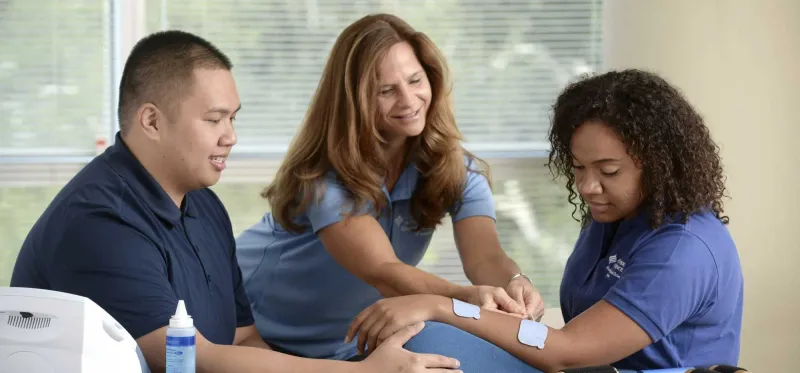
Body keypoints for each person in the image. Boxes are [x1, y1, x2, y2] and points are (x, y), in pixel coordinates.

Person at [10, 30, 463, 373]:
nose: (231, 137)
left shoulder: (205, 207)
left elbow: (244, 339)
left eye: (233, 118)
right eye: (214, 120)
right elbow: (189, 359)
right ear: (151, 120)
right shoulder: (100, 221)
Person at [345, 69, 745, 372]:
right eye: (578, 167)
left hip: (586, 363)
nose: (588, 187)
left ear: (660, 166)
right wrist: (513, 295)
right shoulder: (616, 215)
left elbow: (567, 349)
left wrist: (440, 305)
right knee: (417, 344)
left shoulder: (681, 251)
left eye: (608, 171)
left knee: (427, 340)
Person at [234, 13, 545, 361]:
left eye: (415, 80)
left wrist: (514, 285)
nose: (409, 100)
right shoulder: (323, 179)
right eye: (386, 91)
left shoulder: (456, 169)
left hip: (343, 344)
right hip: (251, 327)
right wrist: (466, 298)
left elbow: (486, 257)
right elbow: (383, 273)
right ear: (355, 101)